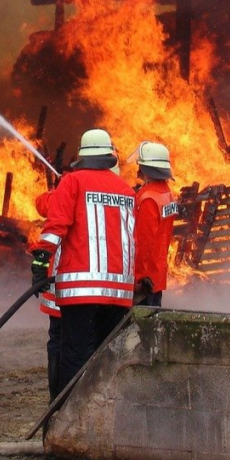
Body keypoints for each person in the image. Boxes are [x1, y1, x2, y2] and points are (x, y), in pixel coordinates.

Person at [30, 128, 136, 395]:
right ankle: (100, 410)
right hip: (118, 291)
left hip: (81, 288)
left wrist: (41, 260)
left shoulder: (72, 182)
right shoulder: (126, 190)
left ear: (83, 156)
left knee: (74, 355)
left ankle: (69, 413)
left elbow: (56, 225)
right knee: (106, 357)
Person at [130, 140, 178, 307]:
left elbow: (143, 244)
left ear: (146, 169)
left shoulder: (148, 199)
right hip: (157, 276)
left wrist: (136, 280)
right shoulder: (167, 194)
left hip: (145, 282)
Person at [33, 187, 62, 402]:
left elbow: (43, 203)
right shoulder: (122, 194)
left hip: (63, 289)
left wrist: (39, 264)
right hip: (100, 292)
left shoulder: (64, 196)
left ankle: (58, 401)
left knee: (58, 342)